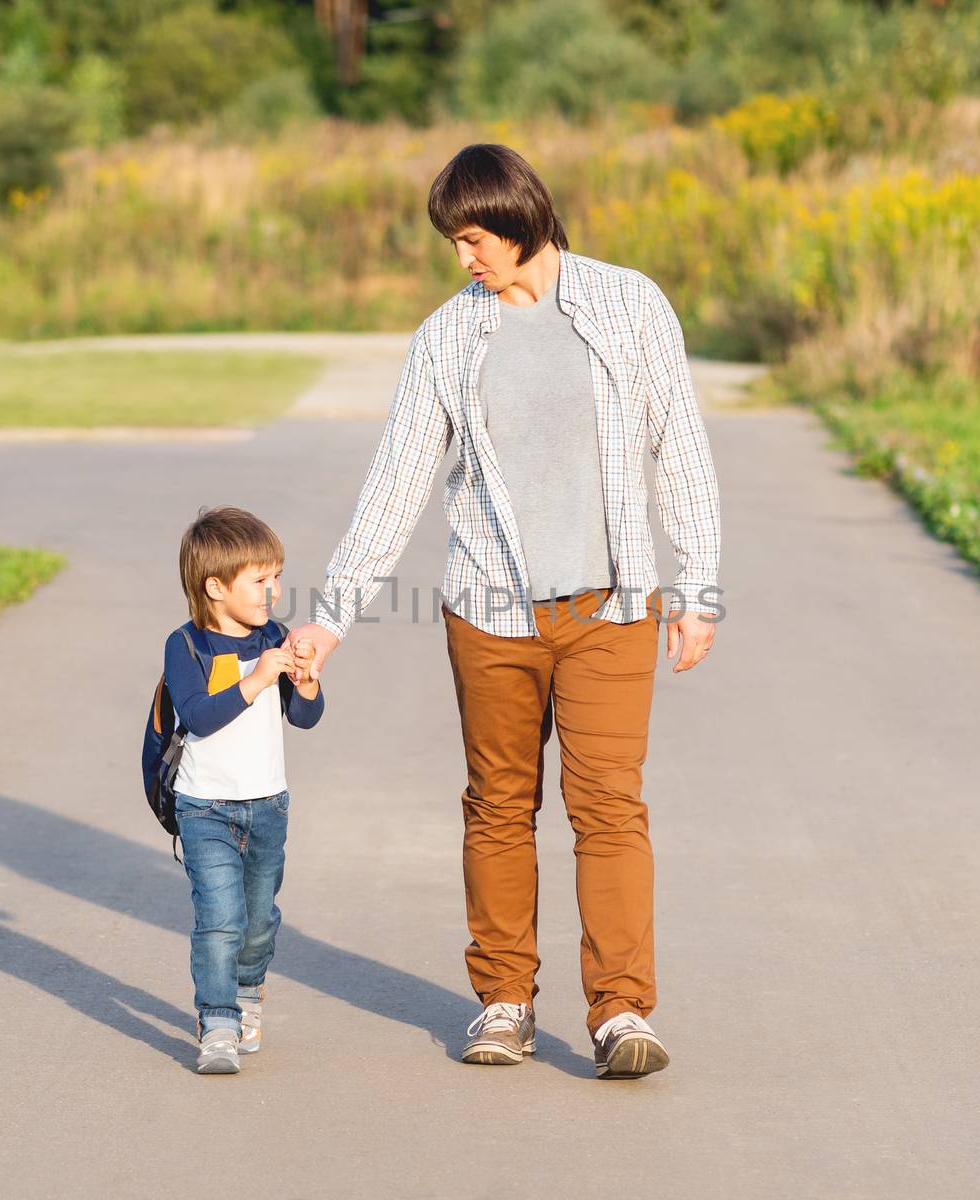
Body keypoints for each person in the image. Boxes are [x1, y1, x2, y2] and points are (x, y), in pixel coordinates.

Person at [283, 144, 721, 1080]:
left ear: (521, 220)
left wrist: (698, 587)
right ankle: (503, 1001)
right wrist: (329, 616)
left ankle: (621, 1011)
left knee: (608, 808)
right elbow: (396, 482)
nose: (463, 259)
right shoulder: (448, 336)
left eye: (472, 238)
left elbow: (679, 445)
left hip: (612, 608)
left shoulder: (629, 304)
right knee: (498, 807)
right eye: (454, 243)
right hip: (489, 612)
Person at [163, 505, 324, 1074]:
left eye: (276, 577)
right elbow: (200, 718)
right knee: (220, 918)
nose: (273, 591)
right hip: (204, 806)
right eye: (260, 580)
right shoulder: (186, 647)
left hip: (268, 803)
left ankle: (249, 988)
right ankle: (218, 1023)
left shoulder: (275, 636)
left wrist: (306, 683)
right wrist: (258, 678)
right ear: (215, 587)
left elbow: (304, 718)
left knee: (258, 919)